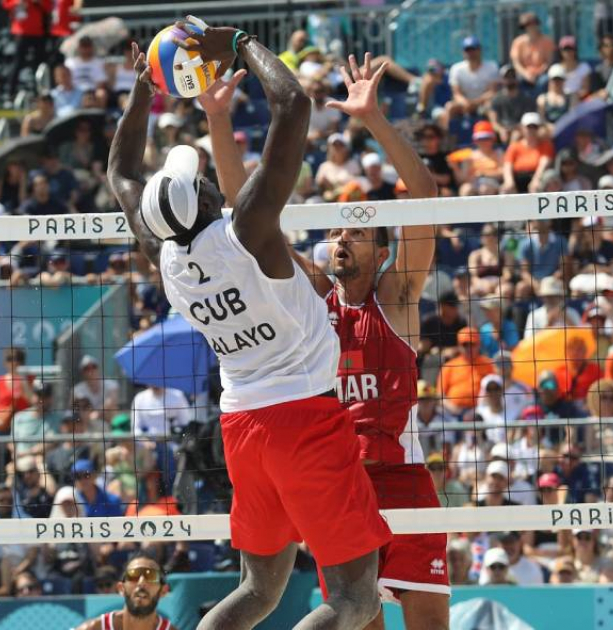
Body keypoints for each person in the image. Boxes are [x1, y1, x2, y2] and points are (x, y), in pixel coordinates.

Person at [108, 28, 388, 628]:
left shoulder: (166, 256)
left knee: (257, 592)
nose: (209, 180)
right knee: (356, 598)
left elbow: (120, 171)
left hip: (241, 427)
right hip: (305, 420)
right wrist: (238, 41)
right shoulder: (247, 234)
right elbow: (293, 103)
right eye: (203, 179)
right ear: (207, 201)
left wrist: (143, 88)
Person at [263, 47, 446, 626]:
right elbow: (255, 222)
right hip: (340, 492)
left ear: (382, 252)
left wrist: (371, 119)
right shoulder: (316, 303)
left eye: (358, 230)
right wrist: (219, 121)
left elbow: (424, 200)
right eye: (337, 230)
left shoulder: (396, 297)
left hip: (404, 482)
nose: (342, 237)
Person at [74, 555, 176, 630]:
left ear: (163, 591)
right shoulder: (93, 628)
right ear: (121, 588)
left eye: (151, 576)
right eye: (134, 576)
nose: (141, 583)